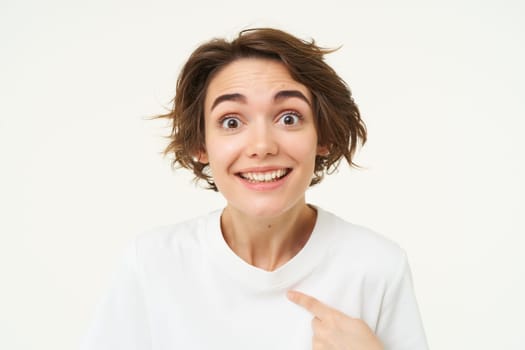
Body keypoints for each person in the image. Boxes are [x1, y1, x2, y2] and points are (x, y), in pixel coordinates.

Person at [80, 28, 428, 350]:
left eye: (288, 117)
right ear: (201, 145)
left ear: (322, 135)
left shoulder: (377, 266)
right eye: (232, 122)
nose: (261, 146)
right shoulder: (151, 264)